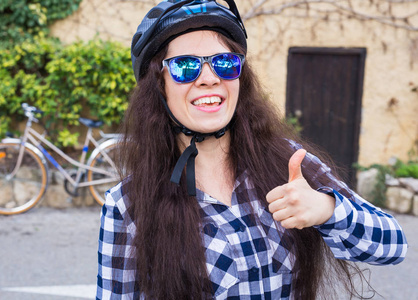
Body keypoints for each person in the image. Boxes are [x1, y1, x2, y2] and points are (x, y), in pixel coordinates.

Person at [96, 1, 407, 299]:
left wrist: (327, 210)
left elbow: (394, 245)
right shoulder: (128, 205)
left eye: (224, 62)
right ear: (159, 85)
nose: (209, 78)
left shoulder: (286, 163)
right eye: (185, 65)